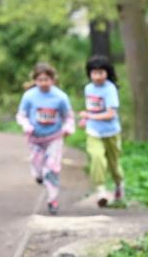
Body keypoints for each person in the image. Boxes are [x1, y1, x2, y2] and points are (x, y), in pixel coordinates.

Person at [16, 62, 75, 215]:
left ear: (53, 80)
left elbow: (68, 116)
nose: (43, 83)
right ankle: (38, 176)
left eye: (46, 80)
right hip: (35, 139)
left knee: (52, 169)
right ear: (35, 80)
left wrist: (68, 128)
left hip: (54, 137)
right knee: (38, 169)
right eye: (40, 80)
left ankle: (52, 200)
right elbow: (21, 115)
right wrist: (26, 125)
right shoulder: (29, 96)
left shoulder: (60, 97)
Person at [79, 55, 124, 207]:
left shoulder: (110, 89)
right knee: (97, 157)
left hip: (111, 132)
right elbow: (91, 108)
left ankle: (119, 184)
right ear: (89, 73)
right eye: (94, 73)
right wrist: (86, 120)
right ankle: (101, 191)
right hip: (93, 131)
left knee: (114, 164)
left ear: (107, 73)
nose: (97, 76)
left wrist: (89, 116)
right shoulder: (88, 88)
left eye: (101, 73)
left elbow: (111, 114)